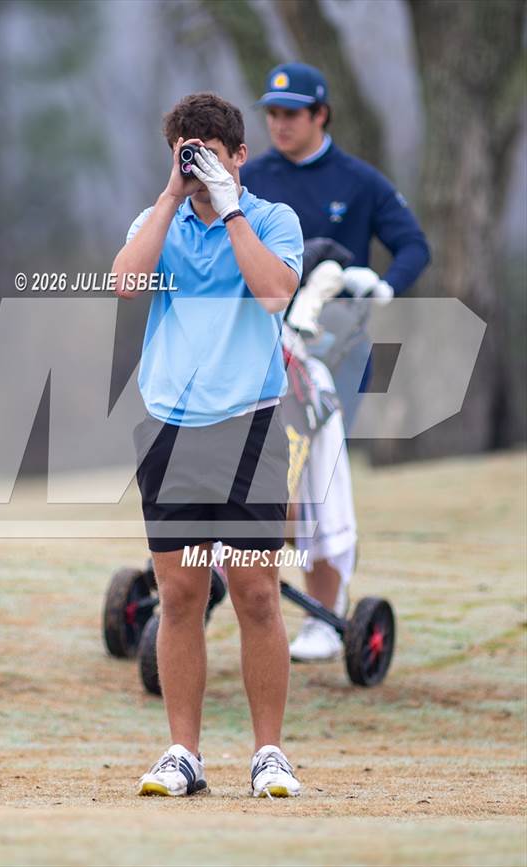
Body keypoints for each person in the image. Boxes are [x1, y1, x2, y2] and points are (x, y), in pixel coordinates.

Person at [112, 93, 304, 798]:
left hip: (249, 425)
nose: (198, 165)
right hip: (169, 426)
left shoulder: (272, 219)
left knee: (255, 592)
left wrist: (229, 207)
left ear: (240, 156)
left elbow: (275, 292)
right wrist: (171, 195)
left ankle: (269, 753)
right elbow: (125, 282)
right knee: (181, 593)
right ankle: (183, 753)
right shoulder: (157, 218)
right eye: (185, 153)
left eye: (210, 153)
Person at [242, 62, 430, 661]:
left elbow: (413, 246)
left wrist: (384, 286)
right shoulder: (250, 177)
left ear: (320, 115)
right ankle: (234, 587)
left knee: (312, 476)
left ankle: (326, 615)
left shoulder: (360, 181)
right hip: (259, 344)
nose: (280, 124)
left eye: (292, 114)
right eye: (271, 113)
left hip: (337, 353)